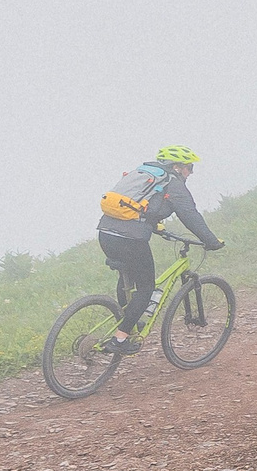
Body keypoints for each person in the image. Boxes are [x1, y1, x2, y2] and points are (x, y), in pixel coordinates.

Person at [95, 144, 224, 352]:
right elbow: (190, 216)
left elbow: (139, 207)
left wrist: (154, 225)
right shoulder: (173, 184)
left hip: (105, 233)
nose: (190, 172)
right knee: (146, 287)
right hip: (131, 239)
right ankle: (120, 339)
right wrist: (211, 241)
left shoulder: (144, 174)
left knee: (128, 275)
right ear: (177, 167)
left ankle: (128, 320)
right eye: (189, 167)